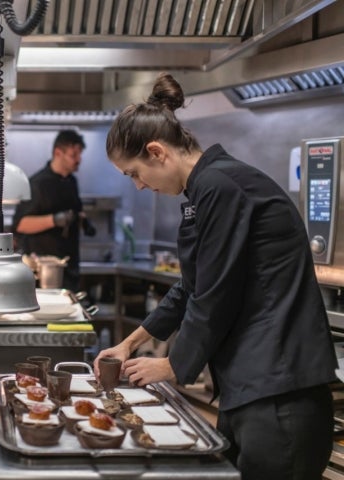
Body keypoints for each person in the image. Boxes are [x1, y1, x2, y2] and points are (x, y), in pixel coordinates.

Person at [94, 73, 336, 479]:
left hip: (281, 393)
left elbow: (215, 293)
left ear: (157, 152)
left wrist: (172, 366)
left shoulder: (223, 186)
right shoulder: (204, 191)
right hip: (250, 389)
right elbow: (192, 287)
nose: (138, 186)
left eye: (134, 173)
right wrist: (129, 344)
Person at [12, 129, 96, 292]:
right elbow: (21, 224)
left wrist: (83, 222)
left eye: (80, 155)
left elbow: (76, 212)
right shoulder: (38, 184)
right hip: (43, 272)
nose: (79, 160)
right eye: (74, 155)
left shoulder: (71, 181)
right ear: (58, 153)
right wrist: (55, 220)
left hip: (69, 268)